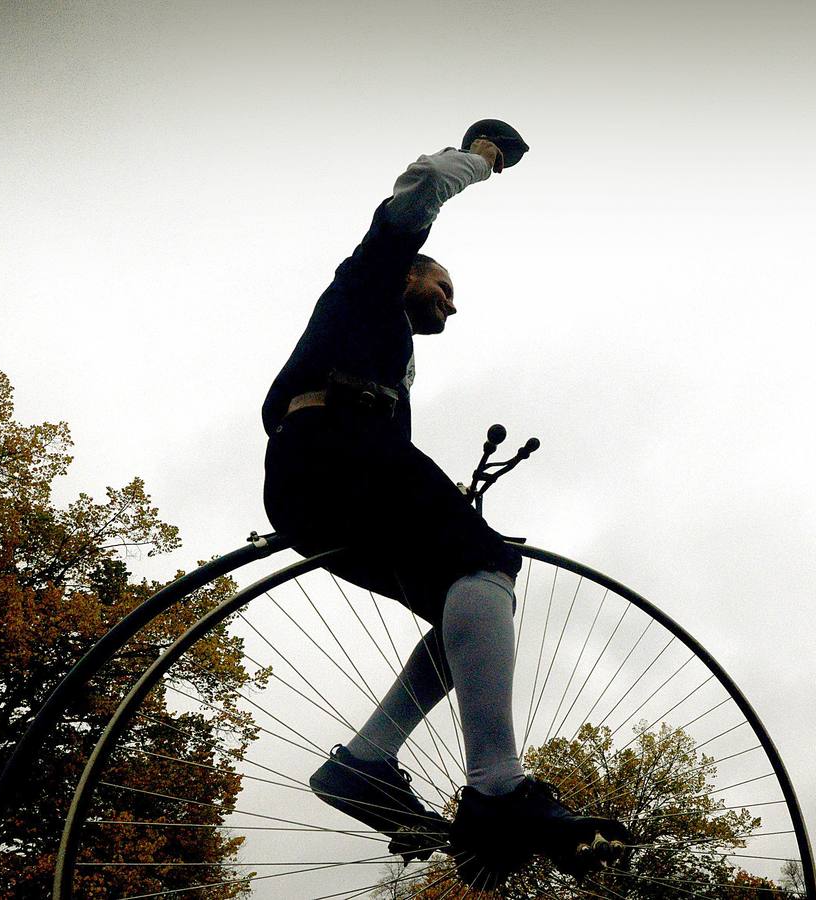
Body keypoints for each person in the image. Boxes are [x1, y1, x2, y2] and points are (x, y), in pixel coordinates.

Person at [260, 125, 630, 879]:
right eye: (445, 288)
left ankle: (363, 763)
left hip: (319, 478)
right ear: (407, 277)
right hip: (335, 449)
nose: (453, 308)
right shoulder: (369, 281)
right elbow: (417, 188)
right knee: (487, 565)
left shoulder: (384, 353)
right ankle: (498, 785)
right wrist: (481, 157)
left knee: (463, 611)